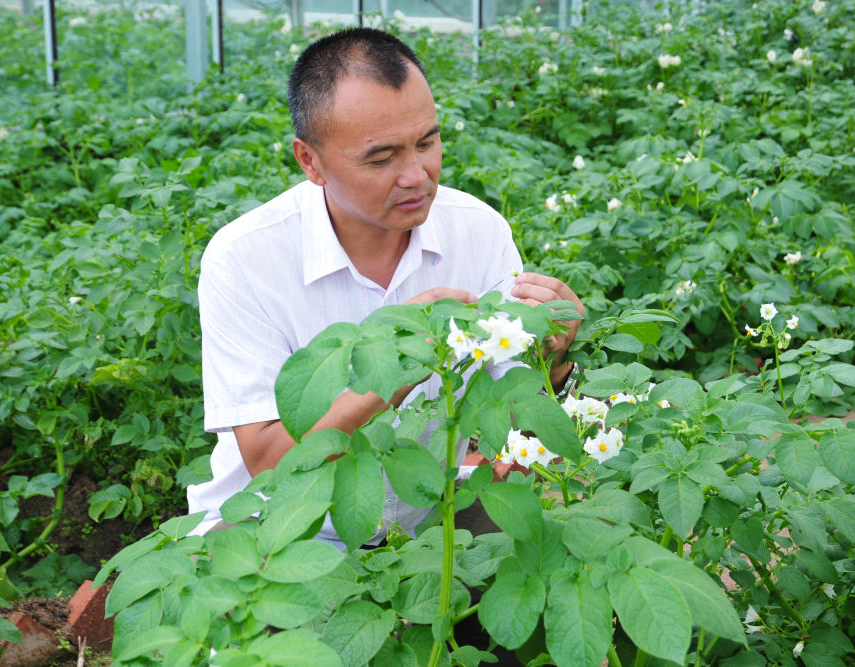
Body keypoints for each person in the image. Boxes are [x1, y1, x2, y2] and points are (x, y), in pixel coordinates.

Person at [187, 27, 582, 544]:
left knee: (565, 545)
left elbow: (512, 420)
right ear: (310, 161)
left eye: (427, 143)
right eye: (381, 158)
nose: (417, 175)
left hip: (432, 516)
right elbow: (270, 461)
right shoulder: (245, 259)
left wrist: (552, 361)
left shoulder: (478, 231)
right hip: (282, 529)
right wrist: (389, 371)